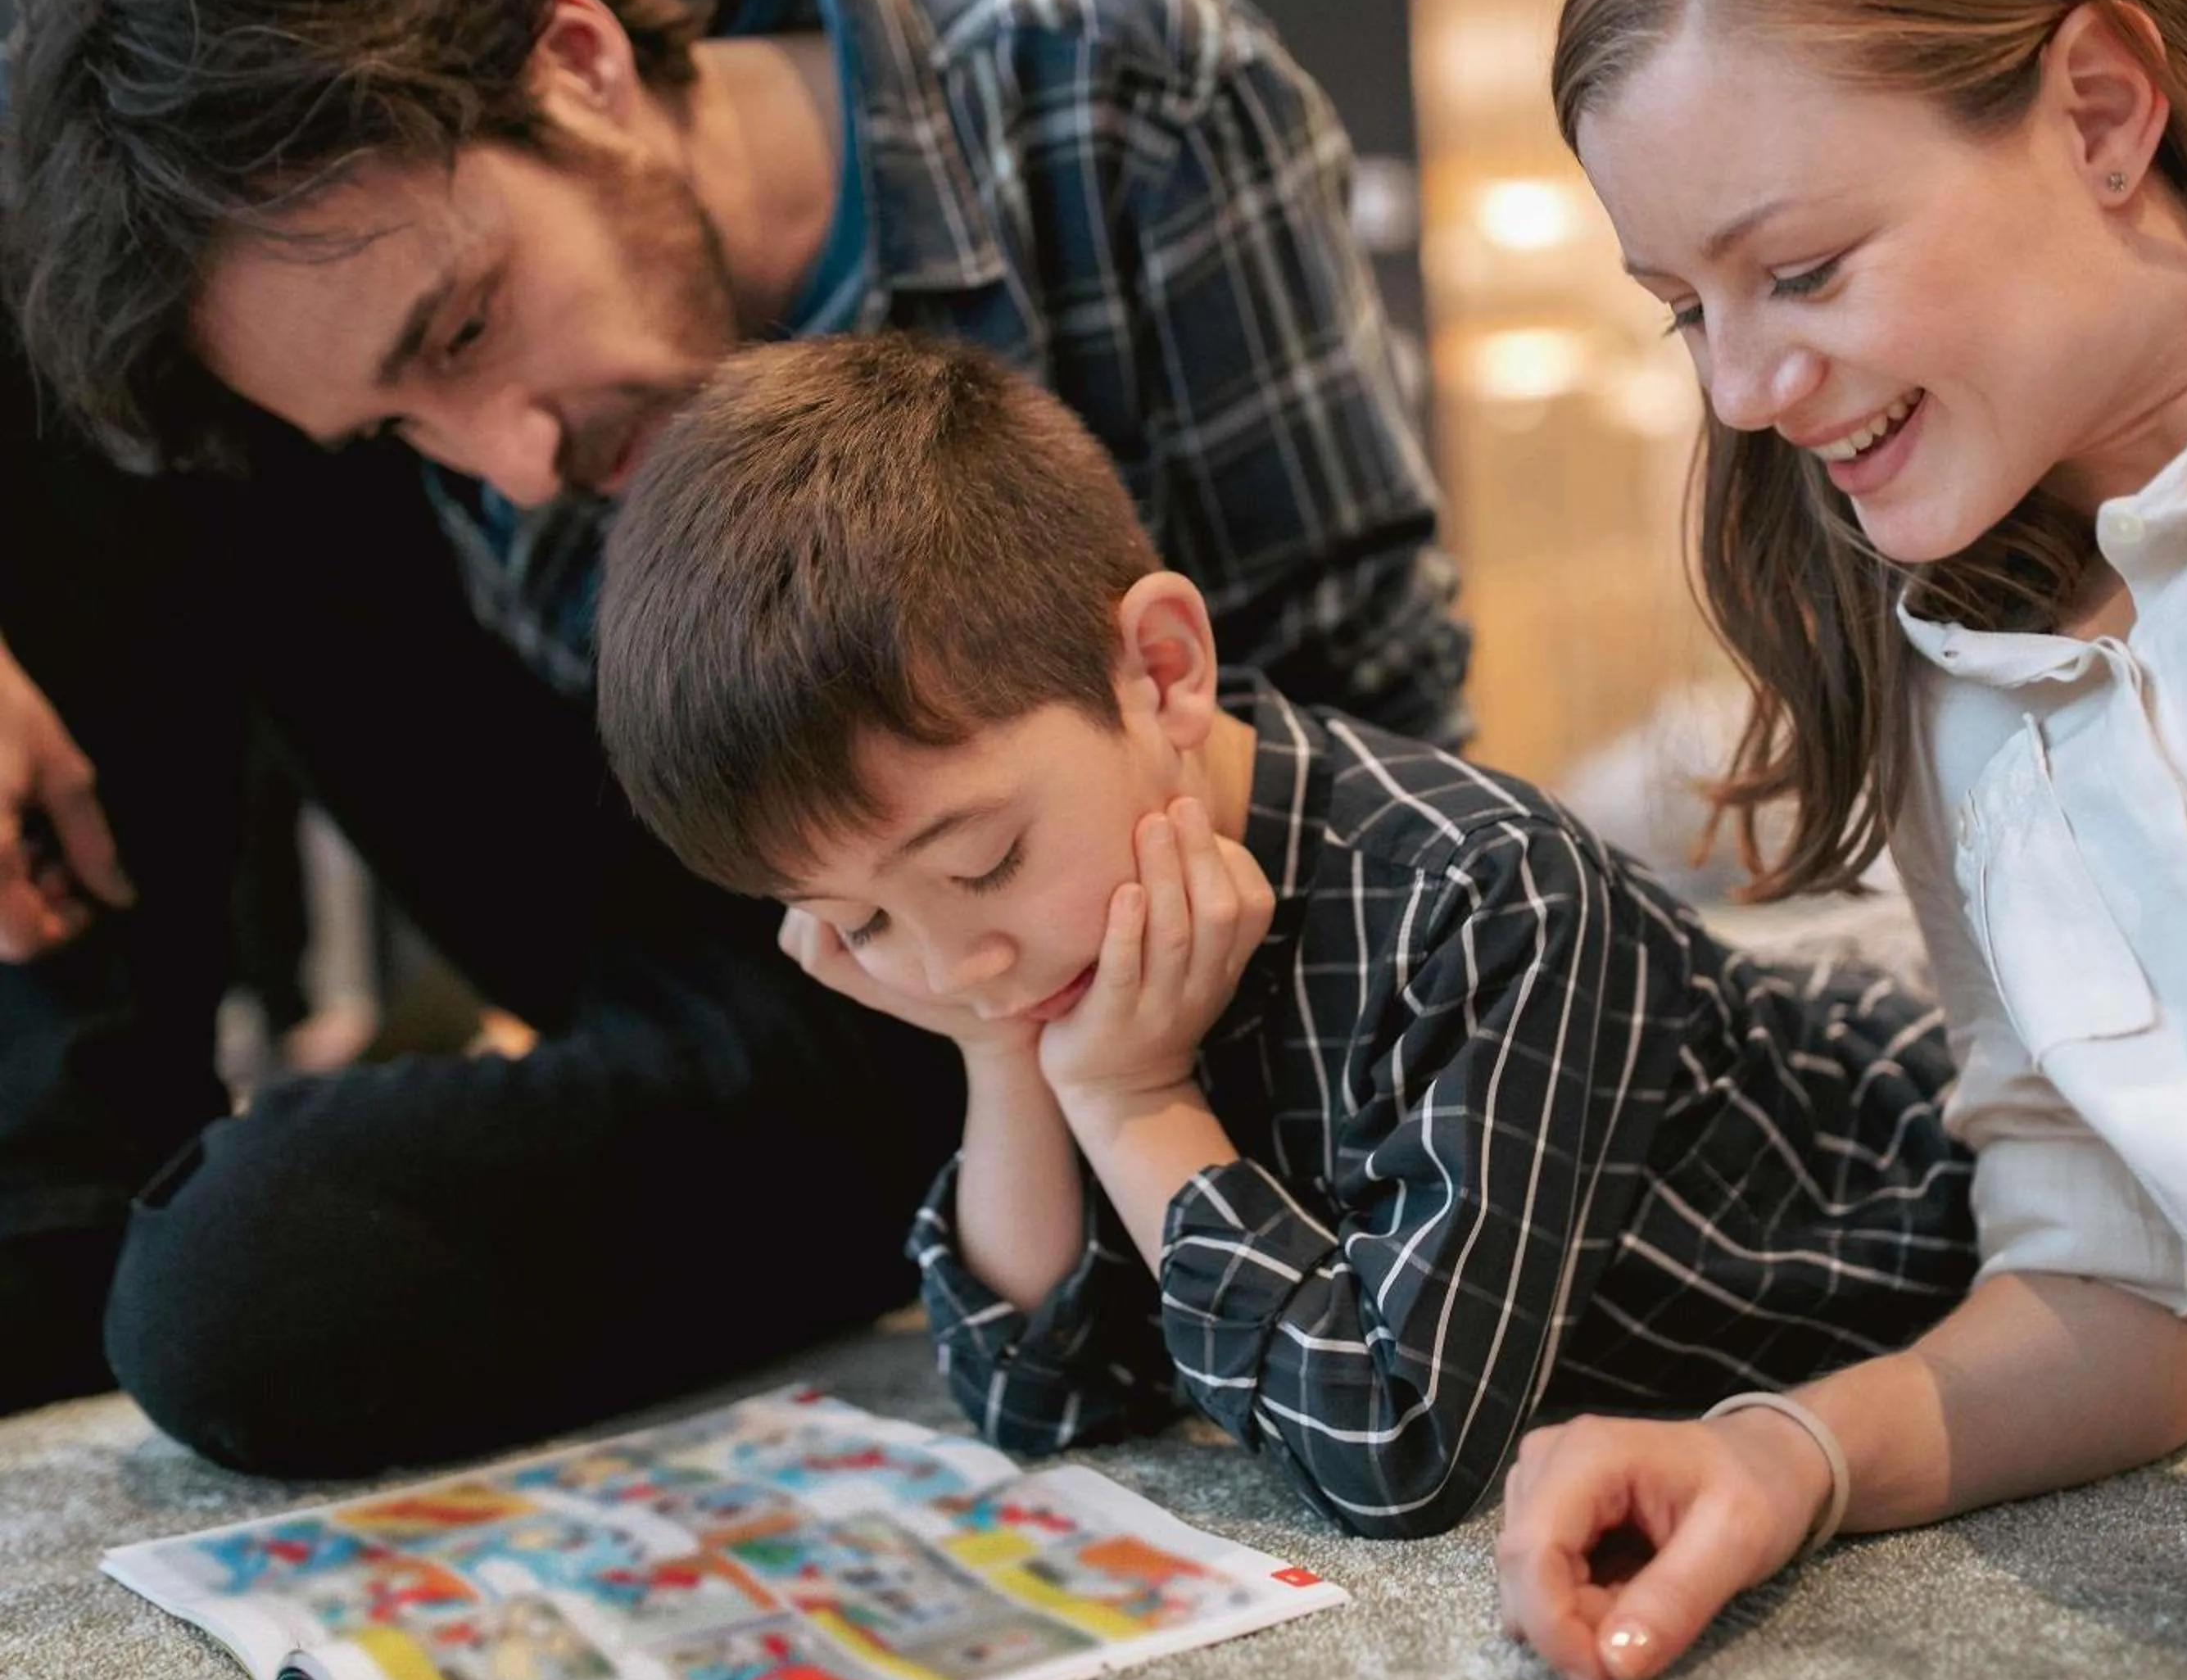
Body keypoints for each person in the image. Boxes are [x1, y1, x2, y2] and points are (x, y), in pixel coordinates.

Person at [0, 0, 1468, 1469]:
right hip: (767, 949)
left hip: (1133, 989)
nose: (510, 464)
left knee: (236, 1289)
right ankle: (53, 1216)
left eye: (472, 325)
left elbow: (1383, 749)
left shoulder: (1114, 90)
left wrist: (1112, 1058)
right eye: (401, 426)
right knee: (220, 1281)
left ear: (576, 61)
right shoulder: (501, 439)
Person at [1489, 0, 2187, 1680]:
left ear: (2101, 111)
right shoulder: (1961, 702)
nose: (1749, 391)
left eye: (1804, 272)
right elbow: (2124, 1289)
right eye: (1680, 309)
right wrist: (1788, 1456)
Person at [590, 332, 1978, 1542]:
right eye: (860, 923)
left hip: (1922, 1194)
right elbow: (1038, 1397)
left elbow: (1399, 1452)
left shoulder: (1487, 896)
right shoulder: (1043, 951)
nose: (960, 958)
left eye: (986, 862)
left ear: (1163, 671)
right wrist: (1006, 1055)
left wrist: (1138, 1106)